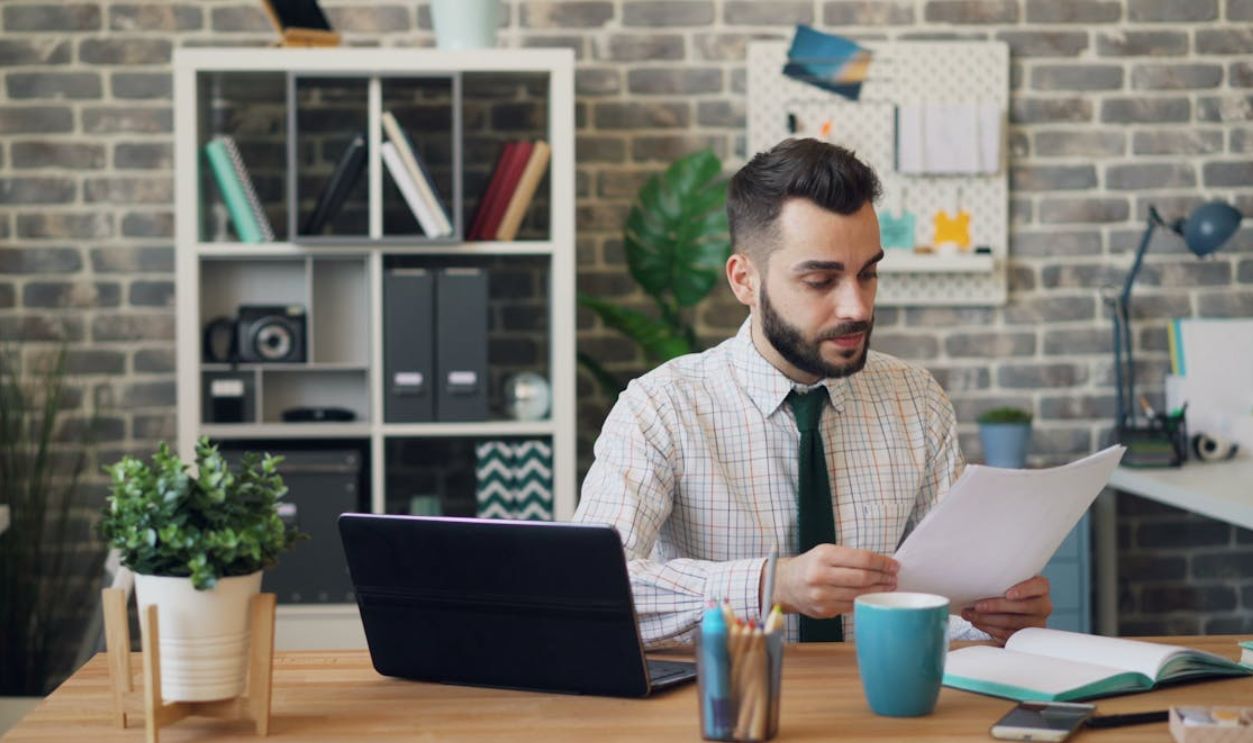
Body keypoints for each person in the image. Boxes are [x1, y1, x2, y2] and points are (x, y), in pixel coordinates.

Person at [574, 138, 1051, 647]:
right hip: (726, 710)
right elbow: (588, 586)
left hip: (882, 706)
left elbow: (946, 593)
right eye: (822, 280)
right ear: (744, 281)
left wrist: (992, 616)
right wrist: (770, 584)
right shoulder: (661, 408)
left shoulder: (917, 400)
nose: (857, 308)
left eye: (867, 274)